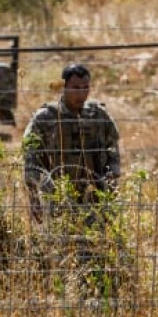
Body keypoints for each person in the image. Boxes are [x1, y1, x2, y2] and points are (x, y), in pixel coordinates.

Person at [23, 64, 122, 225]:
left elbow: (113, 149)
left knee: (95, 243)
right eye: (75, 88)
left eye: (85, 88)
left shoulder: (98, 116)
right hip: (56, 196)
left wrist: (110, 182)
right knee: (57, 243)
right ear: (64, 87)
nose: (81, 94)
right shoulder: (46, 118)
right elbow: (31, 157)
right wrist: (34, 198)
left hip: (93, 195)